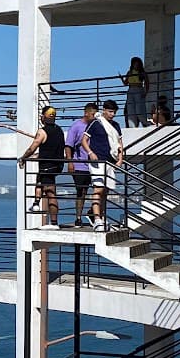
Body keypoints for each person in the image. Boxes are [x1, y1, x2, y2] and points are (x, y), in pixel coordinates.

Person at [16, 107, 66, 228]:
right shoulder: (59, 130)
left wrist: (23, 157)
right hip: (57, 164)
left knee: (50, 193)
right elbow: (51, 148)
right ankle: (36, 203)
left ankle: (54, 223)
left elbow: (32, 147)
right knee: (40, 181)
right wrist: (38, 155)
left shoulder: (42, 132)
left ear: (43, 117)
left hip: (47, 165)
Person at [83, 100, 123, 231]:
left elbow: (119, 143)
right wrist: (90, 152)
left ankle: (102, 217)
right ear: (104, 110)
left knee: (106, 190)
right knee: (98, 189)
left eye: (114, 112)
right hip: (97, 160)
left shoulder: (116, 125)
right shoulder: (95, 123)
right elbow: (84, 140)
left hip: (110, 160)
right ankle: (97, 218)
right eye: (110, 112)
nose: (112, 115)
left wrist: (120, 159)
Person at [62, 103, 96, 227]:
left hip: (93, 165)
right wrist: (70, 162)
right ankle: (78, 217)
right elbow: (68, 145)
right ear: (86, 113)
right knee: (81, 191)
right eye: (92, 114)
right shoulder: (76, 126)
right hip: (80, 165)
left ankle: (93, 212)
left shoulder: (96, 126)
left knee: (98, 190)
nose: (94, 117)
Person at [120, 57, 149, 126]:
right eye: (134, 64)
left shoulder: (142, 73)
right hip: (130, 90)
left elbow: (147, 83)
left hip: (139, 89)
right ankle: (132, 125)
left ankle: (144, 123)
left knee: (139, 108)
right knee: (130, 109)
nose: (136, 65)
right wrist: (122, 79)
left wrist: (145, 92)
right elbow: (125, 83)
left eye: (137, 64)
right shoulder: (129, 72)